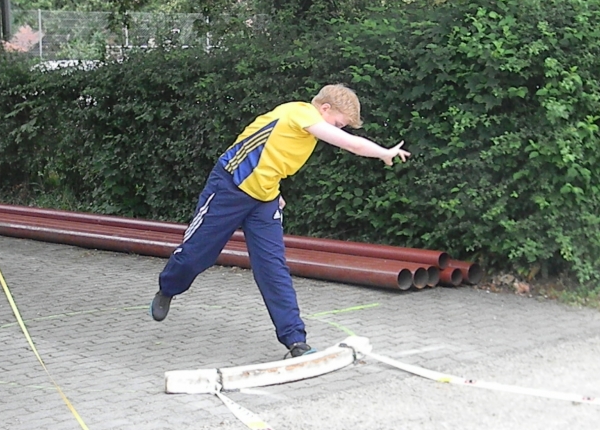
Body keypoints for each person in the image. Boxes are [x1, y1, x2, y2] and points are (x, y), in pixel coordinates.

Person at [151, 84, 410, 357]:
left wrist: (274, 193)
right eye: (338, 124)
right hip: (229, 188)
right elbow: (351, 144)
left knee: (273, 268)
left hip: (264, 200)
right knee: (196, 255)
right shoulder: (299, 113)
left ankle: (295, 340)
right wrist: (384, 152)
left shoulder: (306, 132)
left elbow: (270, 157)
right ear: (324, 108)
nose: (338, 130)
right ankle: (168, 288)